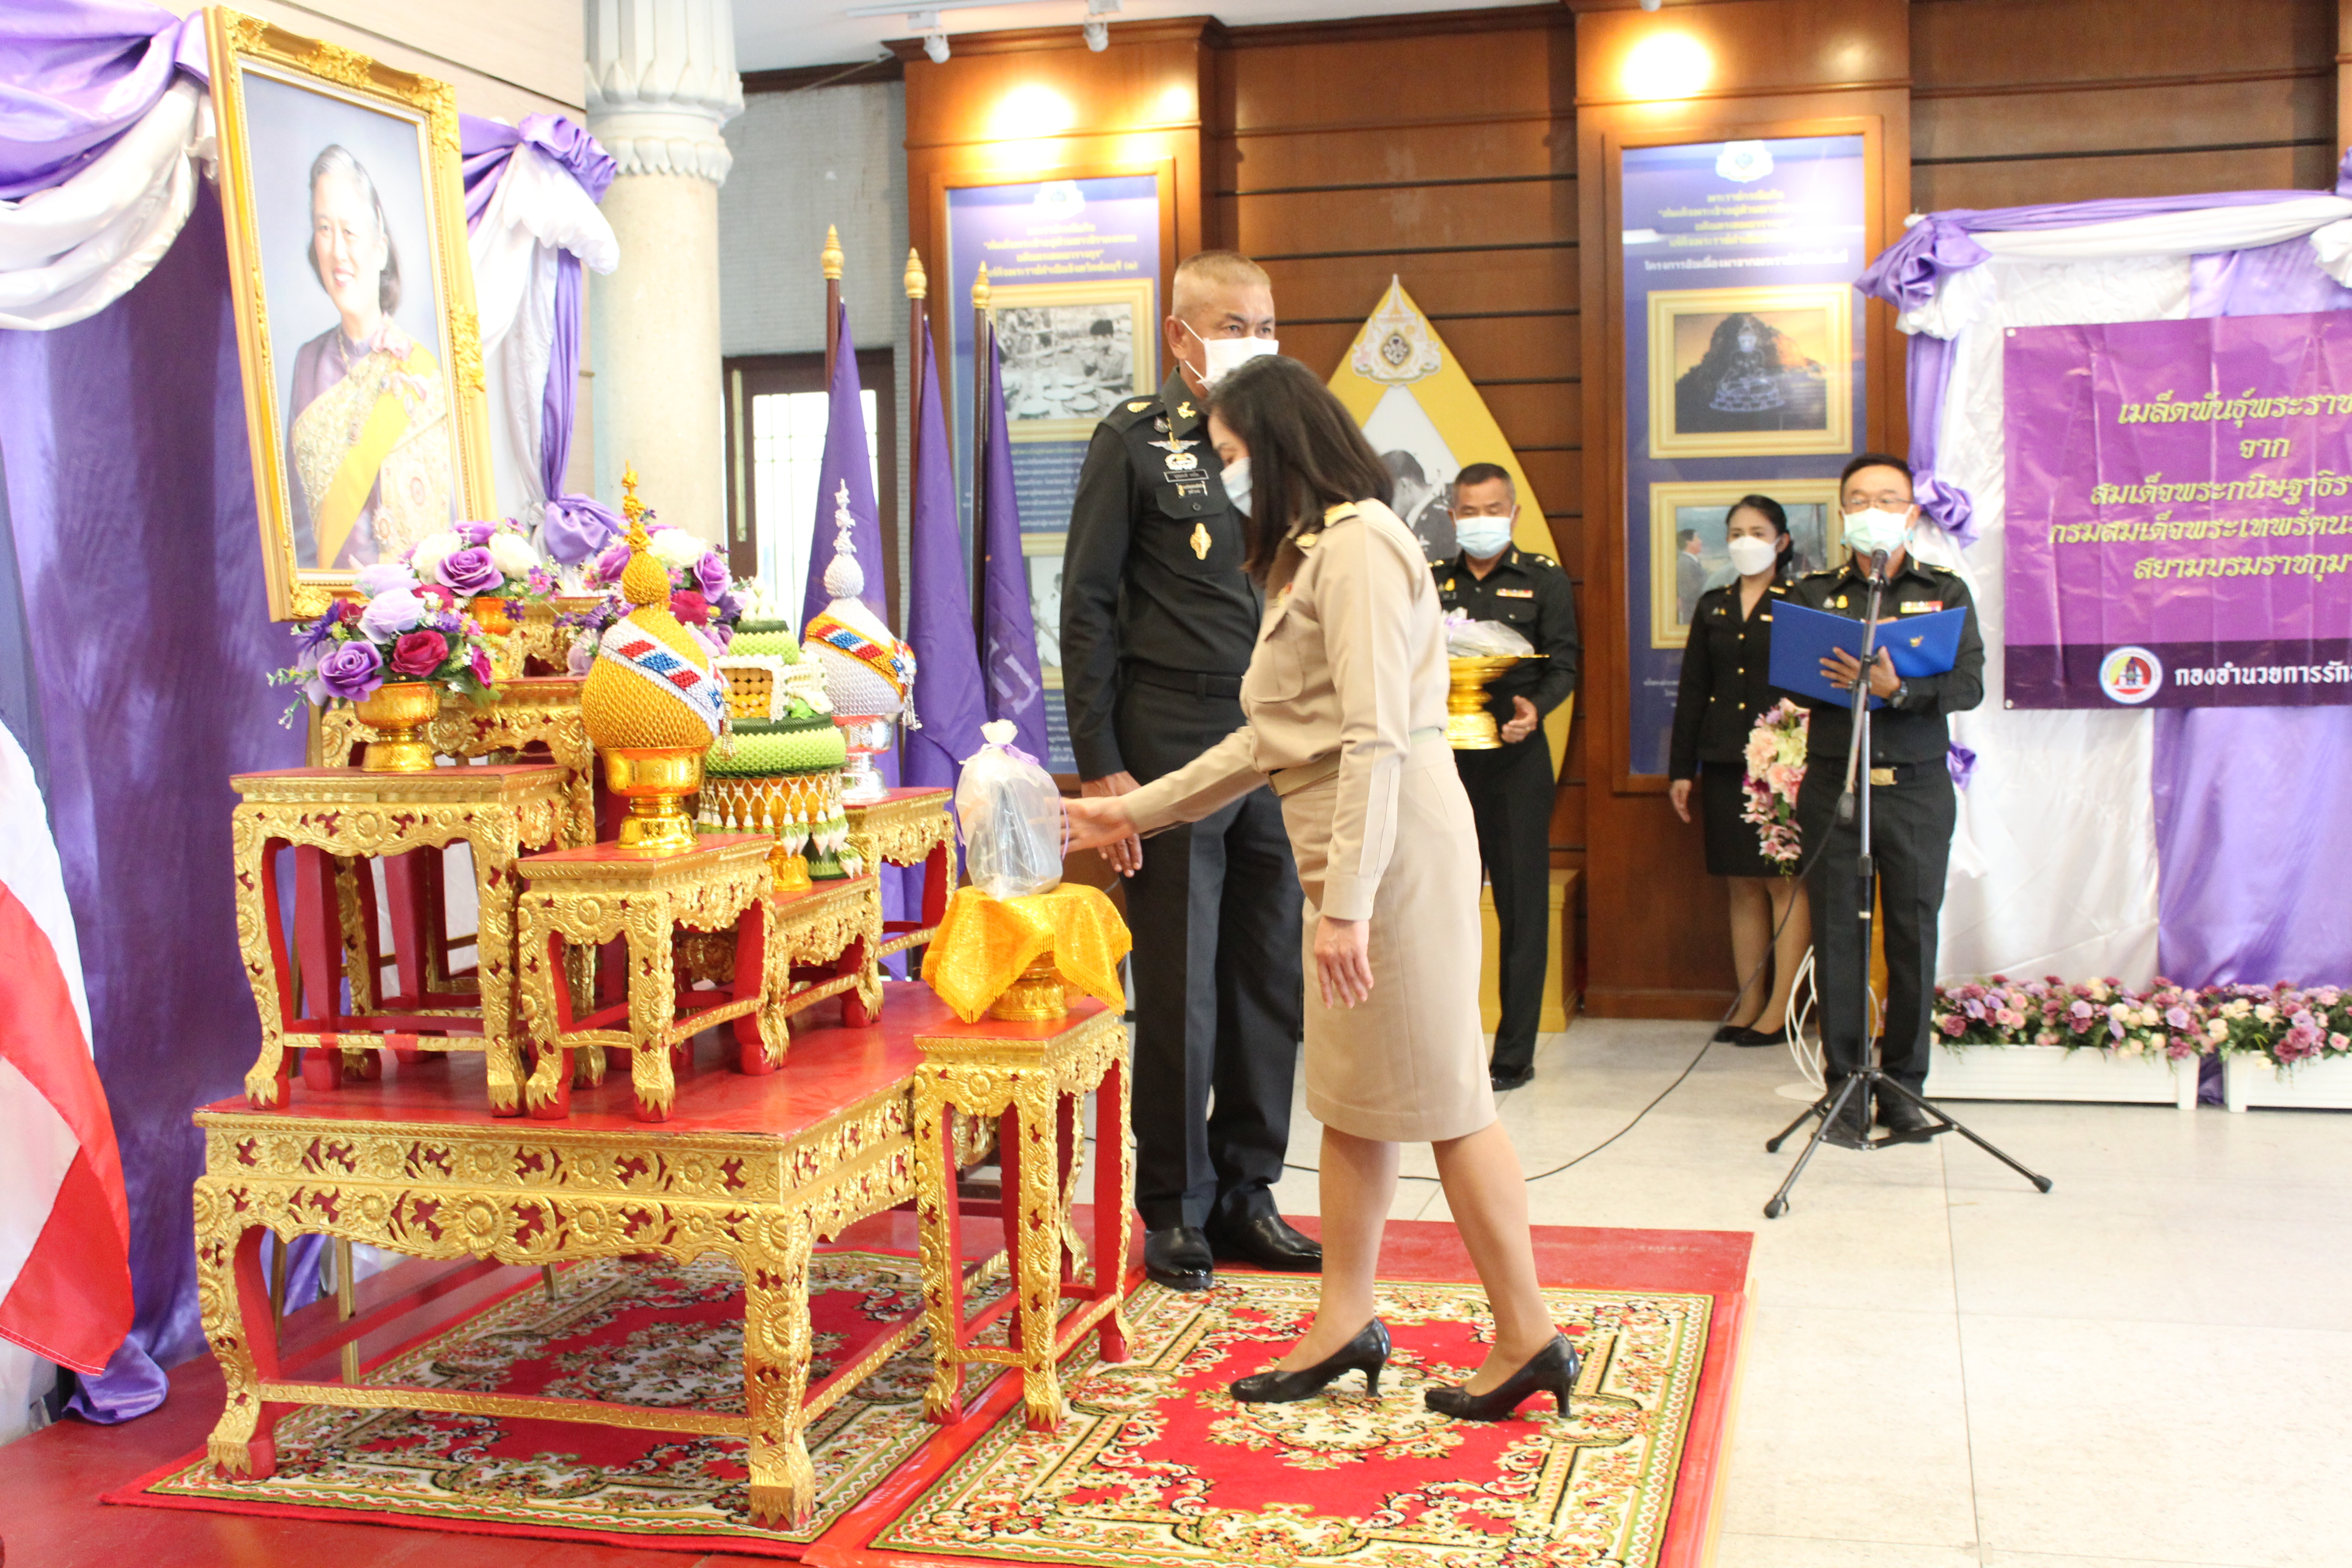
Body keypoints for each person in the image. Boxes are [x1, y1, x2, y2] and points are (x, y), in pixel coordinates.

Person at [1065, 353, 1576, 1419]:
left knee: (1445, 1097)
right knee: (1351, 1099)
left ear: (1284, 447)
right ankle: (1344, 1316)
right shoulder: (1308, 557)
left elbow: (1374, 736)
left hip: (1385, 854)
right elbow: (1266, 739)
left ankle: (1526, 1331)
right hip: (1348, 848)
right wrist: (1129, 810)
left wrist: (1345, 901)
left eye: (1235, 458)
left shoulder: (1356, 549)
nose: (1226, 479)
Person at [1059, 250, 1319, 1292]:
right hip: (1165, 732)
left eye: (1265, 319)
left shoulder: (1285, 445)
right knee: (1176, 980)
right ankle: (1172, 1203)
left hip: (1276, 736)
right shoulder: (1135, 439)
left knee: (1267, 971)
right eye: (1232, 321)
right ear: (1182, 337)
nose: (1254, 336)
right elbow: (1082, 608)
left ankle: (1250, 1187)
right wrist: (1102, 769)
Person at [1785, 454, 1984, 1145]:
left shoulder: (1946, 591)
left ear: (1912, 512)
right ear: (1843, 512)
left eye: (1888, 498)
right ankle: (1844, 1087)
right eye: (1859, 498)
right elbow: (1791, 682)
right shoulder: (1813, 593)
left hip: (1918, 789)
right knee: (1838, 935)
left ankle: (1903, 1086)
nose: (1873, 509)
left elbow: (1968, 686)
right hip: (1838, 788)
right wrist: (1842, 681)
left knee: (1911, 936)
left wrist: (1900, 691)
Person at [1432, 462, 1579, 1090]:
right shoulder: (1430, 581)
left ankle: (1513, 1054)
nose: (1481, 521)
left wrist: (1535, 711)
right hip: (1443, 763)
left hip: (1517, 760)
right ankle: (1445, 1047)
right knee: (1442, 906)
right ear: (1452, 517)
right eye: (1469, 511)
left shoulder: (1542, 580)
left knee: (1521, 908)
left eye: (1493, 509)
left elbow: (1566, 664)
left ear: (1513, 514)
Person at [1666, 495, 1812, 1048]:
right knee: (1740, 885)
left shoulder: (1801, 601)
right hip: (1726, 759)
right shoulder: (1713, 605)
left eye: (1757, 531)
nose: (1744, 541)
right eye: (1735, 532)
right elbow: (1693, 691)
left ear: (1782, 541)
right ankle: (1749, 1001)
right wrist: (1683, 768)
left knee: (1784, 884)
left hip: (1785, 762)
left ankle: (1781, 1008)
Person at [285, 144, 453, 570]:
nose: (338, 252)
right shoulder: (306, 364)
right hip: (328, 618)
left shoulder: (423, 372)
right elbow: (298, 523)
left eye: (350, 232)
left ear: (379, 249)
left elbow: (445, 524)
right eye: (324, 229)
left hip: (415, 620)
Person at [1672, 312, 1829, 437]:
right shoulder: (1735, 356)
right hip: (1738, 386)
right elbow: (1733, 372)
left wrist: (1757, 377)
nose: (1746, 342)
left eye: (1749, 339)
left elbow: (1761, 372)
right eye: (1743, 339)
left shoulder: (1758, 355)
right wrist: (1736, 377)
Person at [1379, 449, 1456, 560]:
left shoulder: (1442, 519)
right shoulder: (1421, 518)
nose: (1384, 503)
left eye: (1386, 493)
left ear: (1405, 485)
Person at [1675, 528, 1707, 624]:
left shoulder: (1692, 561)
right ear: (1688, 543)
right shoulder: (1685, 563)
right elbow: (1690, 591)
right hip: (1691, 612)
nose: (1700, 542)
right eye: (1697, 538)